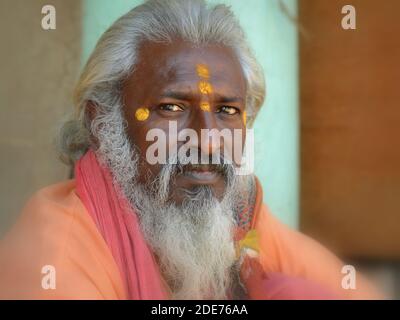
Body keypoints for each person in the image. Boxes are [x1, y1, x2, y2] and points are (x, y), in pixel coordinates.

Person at [0, 0, 379, 300]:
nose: (208, 139)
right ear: (102, 124)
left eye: (227, 111)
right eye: (172, 108)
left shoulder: (238, 215)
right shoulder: (55, 258)